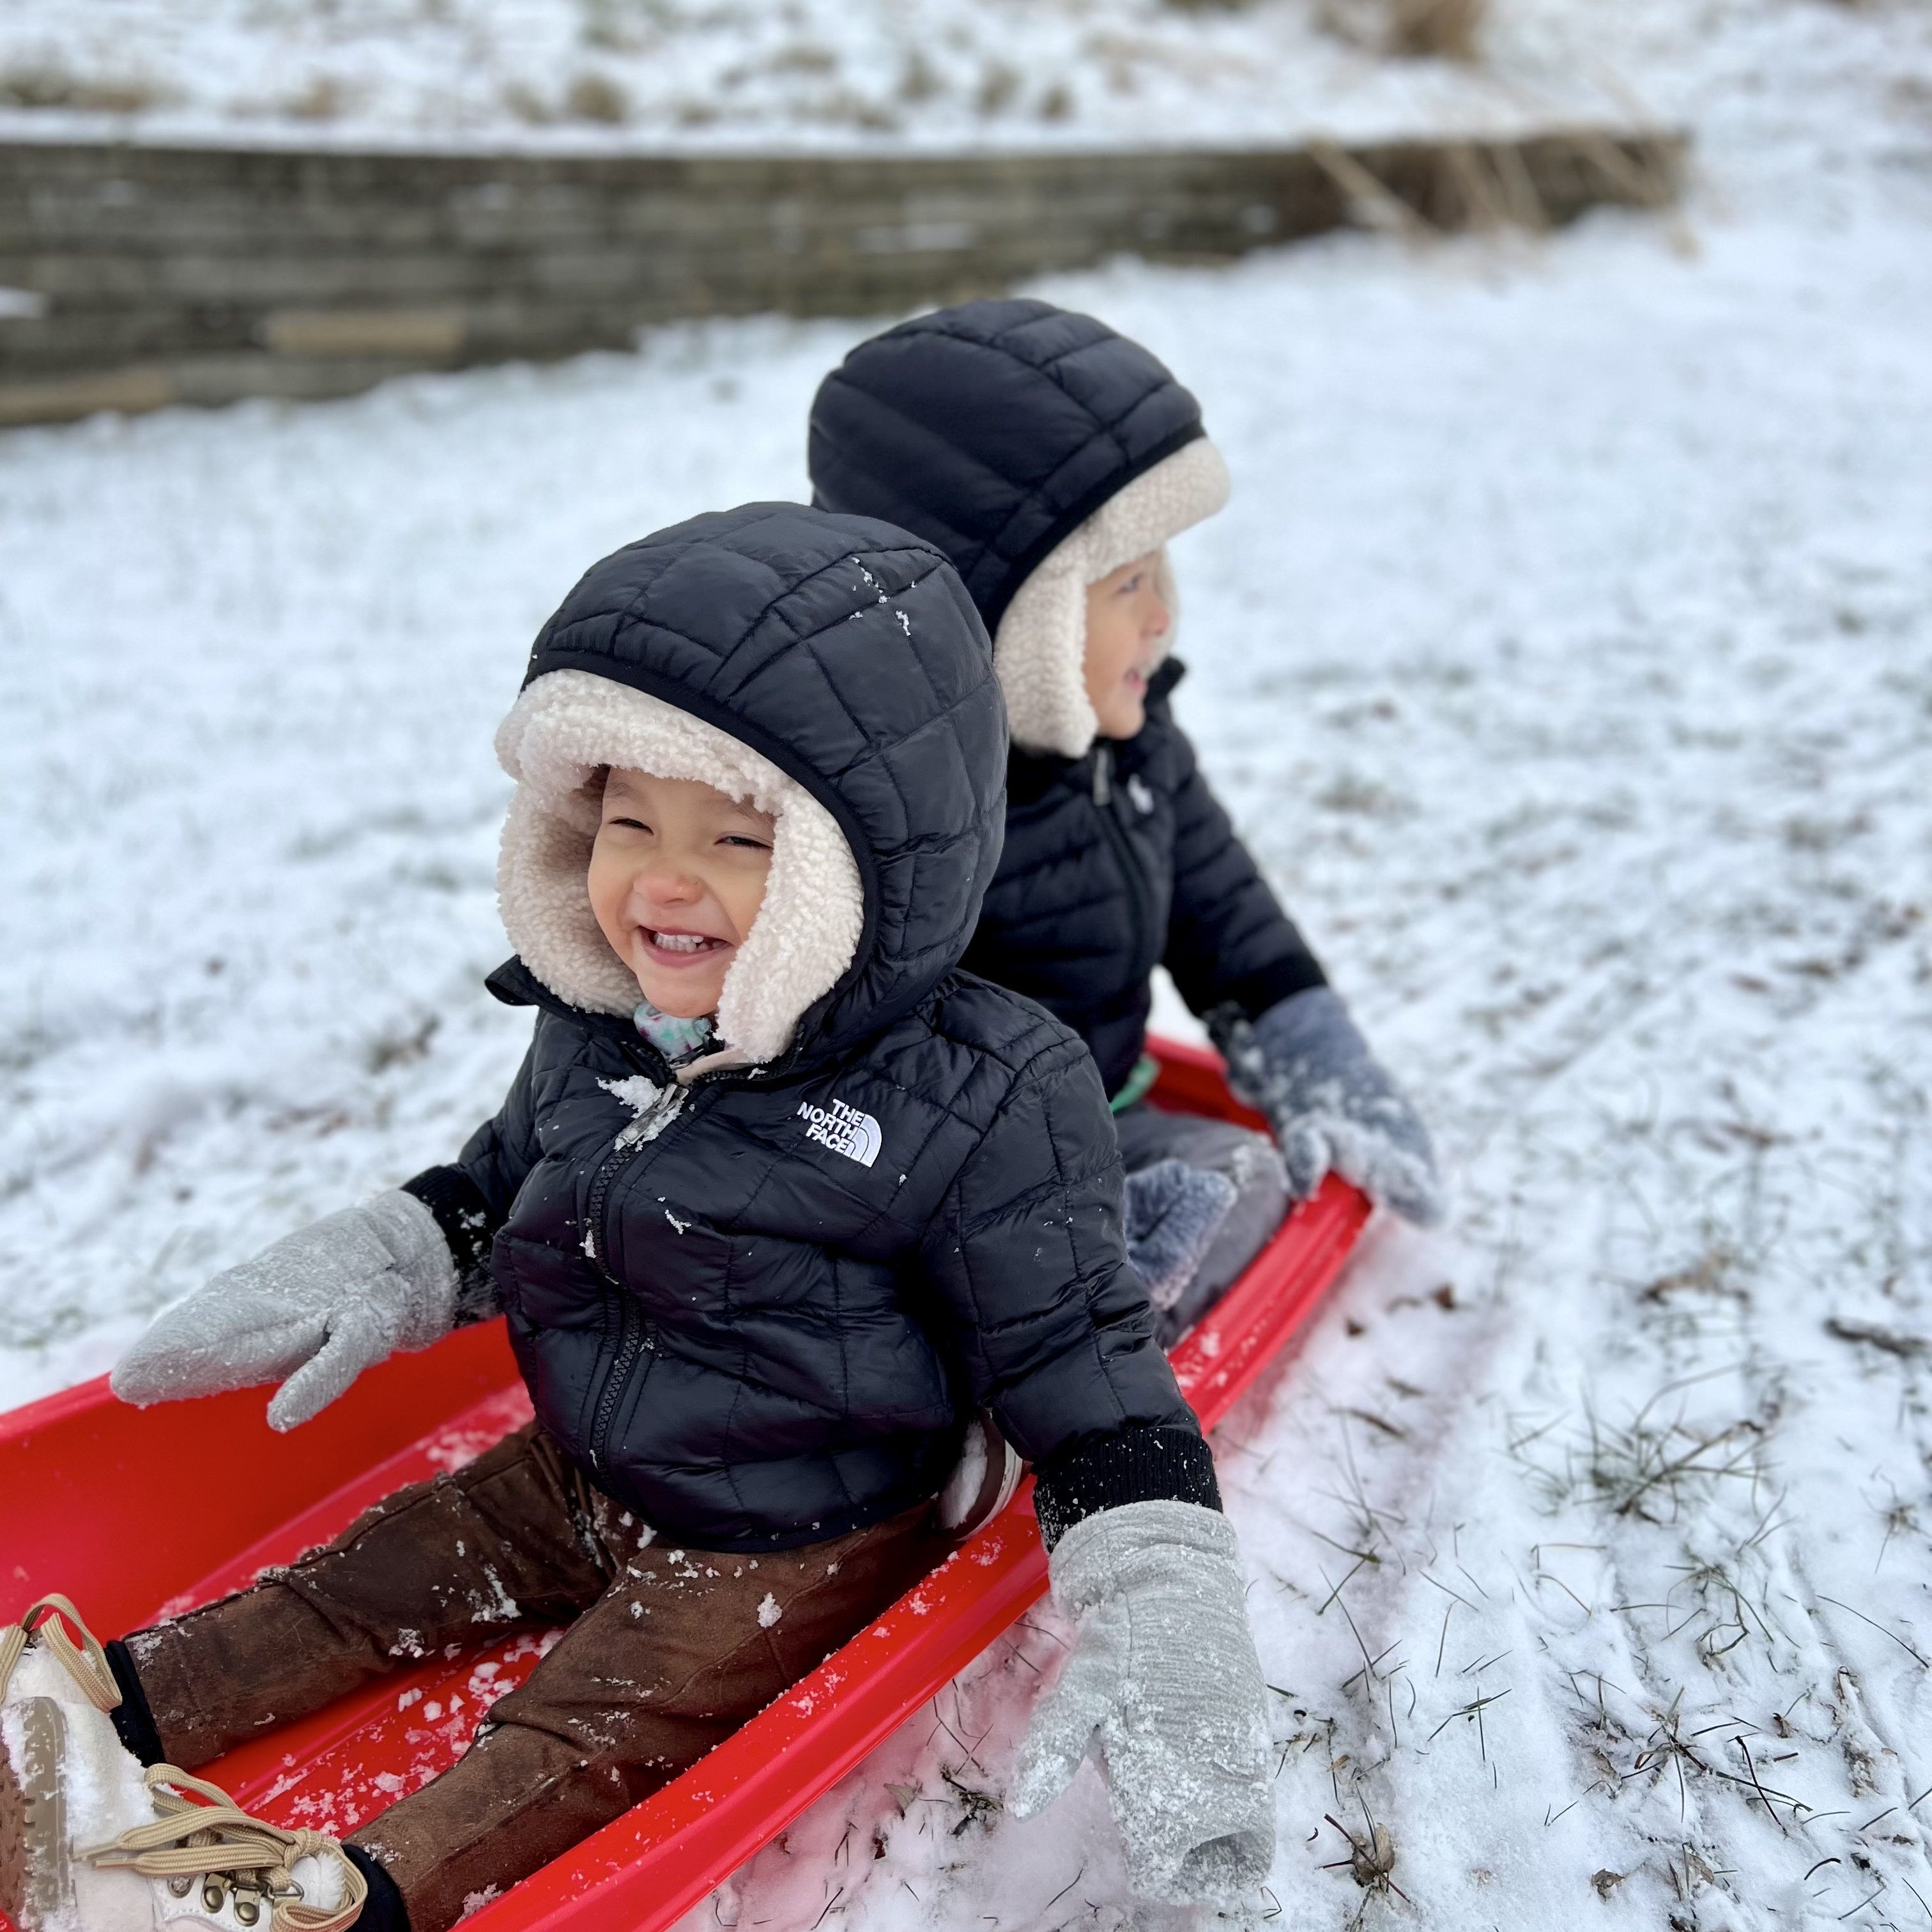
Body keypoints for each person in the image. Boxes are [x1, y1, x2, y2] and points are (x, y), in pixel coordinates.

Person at [0, 505, 1273, 1932]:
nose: (662, 883)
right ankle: (103, 1710)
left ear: (871, 867)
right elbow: (500, 1184)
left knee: (585, 1727)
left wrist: (1161, 1586)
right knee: (378, 1570)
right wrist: (397, 1250)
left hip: (790, 1531)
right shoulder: (601, 1021)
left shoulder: (982, 1093)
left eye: (737, 839)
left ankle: (340, 1895)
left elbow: (1085, 1370)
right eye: (625, 824)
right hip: (580, 1466)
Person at [809, 299, 1443, 1342]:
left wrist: (1321, 1064)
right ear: (1005, 620)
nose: (1166, 615)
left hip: (1091, 1130)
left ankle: (1057, 1350)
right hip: (919, 1183)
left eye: (1166, 573)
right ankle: (1022, 1372)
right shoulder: (895, 812)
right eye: (1130, 582)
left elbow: (1226, 915)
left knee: (1232, 1177)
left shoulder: (1134, 748)